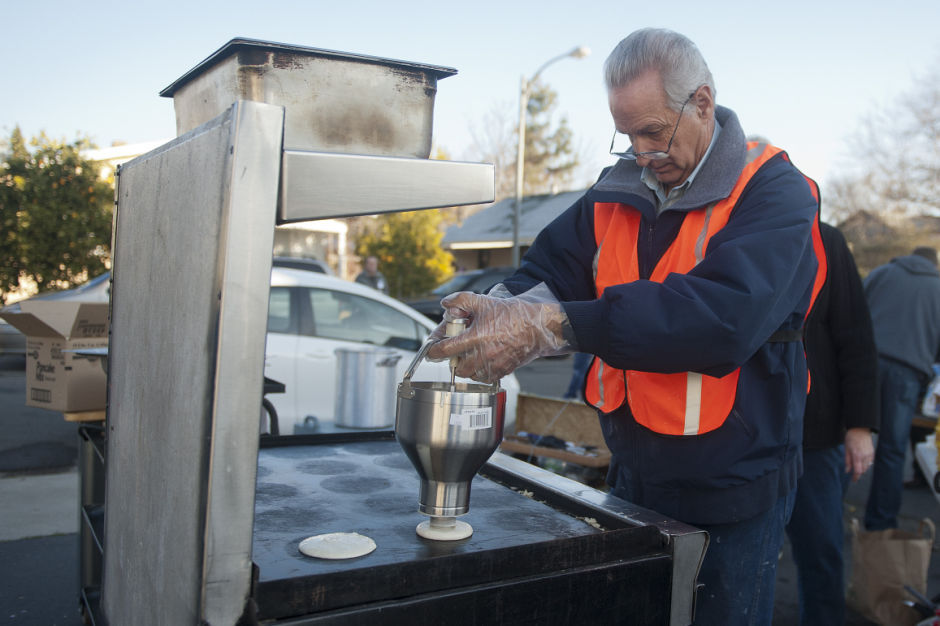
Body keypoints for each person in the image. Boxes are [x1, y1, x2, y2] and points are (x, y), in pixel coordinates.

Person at [428, 28, 823, 625]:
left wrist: (555, 326)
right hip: (634, 470)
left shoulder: (775, 192)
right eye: (628, 133)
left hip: (735, 482)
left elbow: (721, 320)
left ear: (703, 104)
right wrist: (499, 307)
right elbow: (550, 267)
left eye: (654, 131)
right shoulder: (618, 188)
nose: (640, 152)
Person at [785, 222, 878, 626]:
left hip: (815, 435)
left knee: (821, 550)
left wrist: (860, 426)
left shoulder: (824, 238)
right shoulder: (726, 226)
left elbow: (855, 335)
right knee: (739, 554)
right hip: (742, 433)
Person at [863, 246, 940, 531]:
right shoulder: (937, 287)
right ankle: (880, 526)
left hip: (865, 365)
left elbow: (853, 312)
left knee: (847, 438)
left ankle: (828, 518)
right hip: (907, 374)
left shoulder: (882, 273)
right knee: (892, 450)